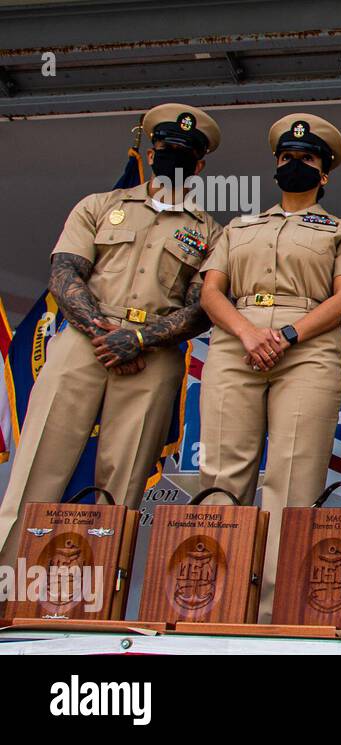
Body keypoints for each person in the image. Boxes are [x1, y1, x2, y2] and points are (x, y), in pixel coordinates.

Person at [0, 103, 222, 572]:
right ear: (153, 151)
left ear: (199, 166)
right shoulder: (101, 205)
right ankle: (6, 584)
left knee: (123, 483)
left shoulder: (210, 231)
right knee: (38, 464)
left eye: (185, 152)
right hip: (85, 339)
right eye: (166, 148)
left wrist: (139, 340)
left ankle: (101, 596)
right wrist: (104, 331)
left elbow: (202, 306)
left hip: (153, 352)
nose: (173, 157)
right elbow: (65, 273)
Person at [198, 113, 341, 622]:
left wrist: (288, 334)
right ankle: (215, 603)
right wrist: (249, 333)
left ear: (324, 174)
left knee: (294, 477)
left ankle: (276, 609)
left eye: (308, 159)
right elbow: (211, 290)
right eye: (288, 157)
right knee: (223, 474)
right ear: (276, 166)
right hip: (237, 341)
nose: (296, 164)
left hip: (308, 347)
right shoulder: (239, 225)